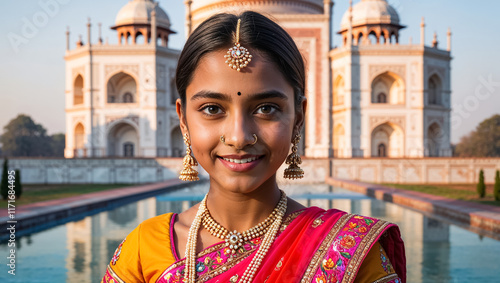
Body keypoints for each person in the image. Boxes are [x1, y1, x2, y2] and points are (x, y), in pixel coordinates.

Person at [101, 11, 406, 283]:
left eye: (266, 109)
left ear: (297, 118)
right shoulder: (144, 248)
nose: (239, 136)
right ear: (183, 120)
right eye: (211, 109)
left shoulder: (348, 252)